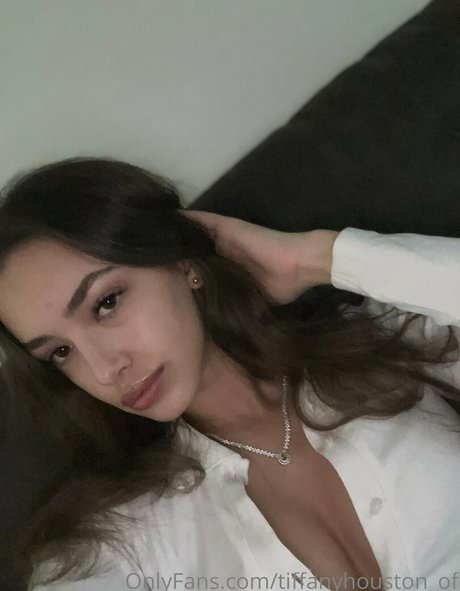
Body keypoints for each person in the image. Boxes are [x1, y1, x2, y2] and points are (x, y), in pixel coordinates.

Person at [0, 157, 458, 591]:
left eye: (106, 303)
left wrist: (313, 258)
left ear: (182, 263)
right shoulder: (119, 542)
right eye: (61, 352)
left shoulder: (383, 346)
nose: (104, 370)